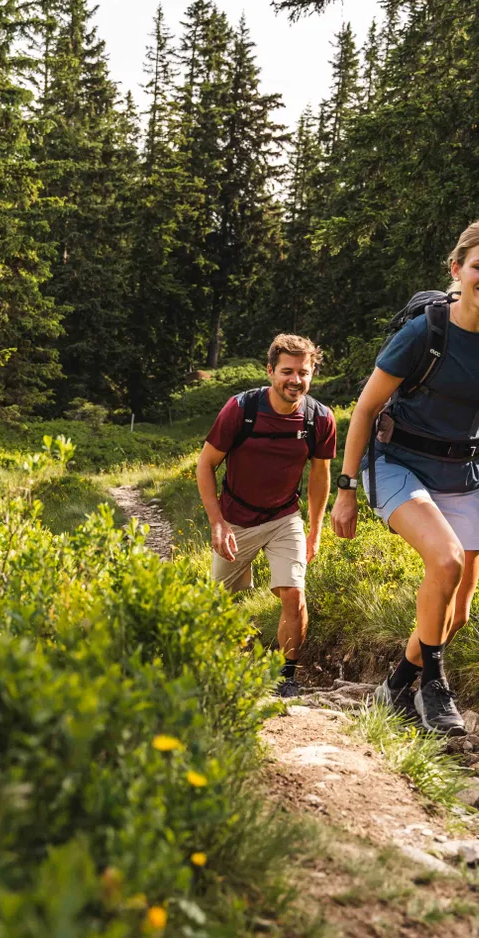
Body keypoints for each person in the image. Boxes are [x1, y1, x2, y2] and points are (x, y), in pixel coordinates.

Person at [331, 221, 479, 736]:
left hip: (463, 471)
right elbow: (366, 408)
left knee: (456, 613)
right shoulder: (426, 333)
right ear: (457, 269)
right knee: (446, 559)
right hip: (397, 462)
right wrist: (346, 489)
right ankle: (434, 689)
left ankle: (395, 688)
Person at [196, 334, 337, 697]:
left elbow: (320, 475)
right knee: (218, 602)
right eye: (287, 371)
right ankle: (213, 670)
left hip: (283, 517)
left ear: (312, 374)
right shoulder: (240, 409)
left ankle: (286, 677)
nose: (295, 380)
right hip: (235, 519)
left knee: (294, 593)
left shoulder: (320, 418)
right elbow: (205, 464)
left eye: (303, 372)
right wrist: (217, 522)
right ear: (271, 371)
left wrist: (315, 530)